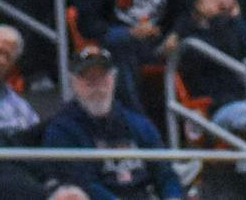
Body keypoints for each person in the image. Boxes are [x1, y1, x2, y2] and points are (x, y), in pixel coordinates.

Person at [40, 47, 182, 200]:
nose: (97, 85)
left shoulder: (139, 124)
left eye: (102, 76)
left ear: (113, 78)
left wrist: (173, 196)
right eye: (88, 78)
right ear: (73, 82)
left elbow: (165, 173)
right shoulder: (61, 130)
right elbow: (82, 183)